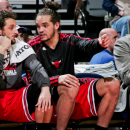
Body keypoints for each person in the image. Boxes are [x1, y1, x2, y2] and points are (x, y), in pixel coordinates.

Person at [28, 2, 120, 130]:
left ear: (56, 25)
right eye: (38, 27)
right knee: (70, 86)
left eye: (45, 26)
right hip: (45, 92)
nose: (40, 30)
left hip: (71, 90)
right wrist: (57, 79)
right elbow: (29, 81)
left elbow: (85, 44)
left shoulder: (69, 40)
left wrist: (98, 43)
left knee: (113, 84)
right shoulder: (32, 46)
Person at [0, 10, 53, 130]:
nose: (16, 31)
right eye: (11, 28)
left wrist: (45, 88)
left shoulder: (20, 45)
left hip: (15, 96)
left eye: (16, 27)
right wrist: (1, 51)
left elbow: (37, 68)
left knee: (42, 91)